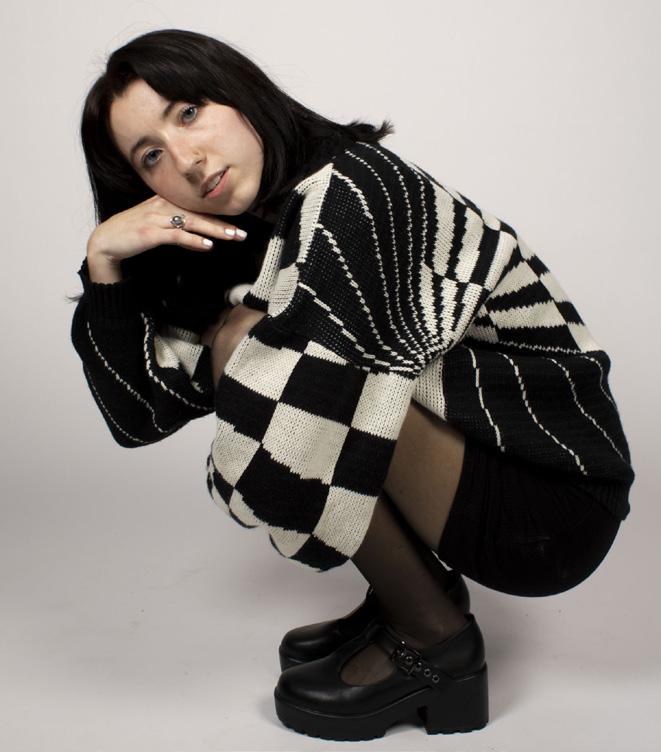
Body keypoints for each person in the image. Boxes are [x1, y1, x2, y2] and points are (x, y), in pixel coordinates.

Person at [68, 28, 635, 742]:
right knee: (266, 358)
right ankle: (413, 591)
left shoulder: (357, 191)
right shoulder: (249, 237)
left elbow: (292, 417)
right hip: (479, 474)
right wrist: (104, 267)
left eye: (188, 112)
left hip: (550, 499)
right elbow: (136, 416)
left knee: (264, 358)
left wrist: (244, 450)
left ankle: (435, 640)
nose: (186, 159)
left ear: (239, 92)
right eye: (150, 155)